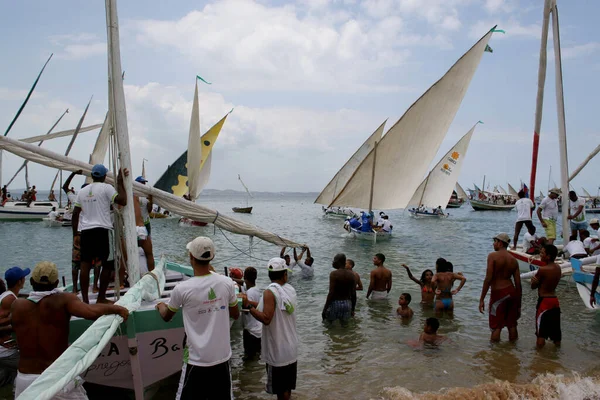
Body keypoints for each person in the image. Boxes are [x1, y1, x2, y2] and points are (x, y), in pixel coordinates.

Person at [11, 261, 129, 398]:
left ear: (31, 281)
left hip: (25, 380)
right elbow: (90, 312)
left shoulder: (17, 306)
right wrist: (116, 308)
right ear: (56, 284)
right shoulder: (63, 300)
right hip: (56, 377)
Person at [156, 237, 240, 400]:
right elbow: (236, 314)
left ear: (191, 258)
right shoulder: (227, 283)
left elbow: (167, 316)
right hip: (221, 359)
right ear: (212, 257)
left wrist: (160, 306)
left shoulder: (182, 289)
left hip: (196, 360)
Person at [72, 164, 128, 304]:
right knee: (108, 265)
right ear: (104, 176)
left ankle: (85, 300)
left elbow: (75, 214)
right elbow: (123, 201)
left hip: (86, 232)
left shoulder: (82, 191)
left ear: (92, 176)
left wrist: (75, 234)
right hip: (103, 230)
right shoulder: (106, 188)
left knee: (84, 265)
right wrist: (120, 182)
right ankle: (101, 297)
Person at [244, 258, 298, 400]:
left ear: (269, 274)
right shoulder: (289, 290)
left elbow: (266, 318)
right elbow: (268, 305)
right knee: (287, 389)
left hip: (278, 351)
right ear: (284, 274)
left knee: (281, 392)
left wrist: (249, 307)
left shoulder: (269, 292)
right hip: (291, 349)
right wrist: (249, 302)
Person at [479, 233, 522, 342]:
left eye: (495, 241)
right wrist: (518, 304)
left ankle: (495, 353)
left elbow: (488, 278)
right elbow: (518, 284)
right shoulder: (513, 260)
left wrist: (482, 299)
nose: (493, 244)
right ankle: (512, 350)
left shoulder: (493, 256)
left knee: (496, 326)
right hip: (512, 292)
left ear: (500, 243)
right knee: (512, 324)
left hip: (499, 293)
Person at [0, 267, 30, 388]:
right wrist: (17, 319)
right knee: (32, 367)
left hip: (6, 348)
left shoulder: (8, 296)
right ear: (19, 281)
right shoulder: (10, 299)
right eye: (24, 277)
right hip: (5, 351)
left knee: (8, 376)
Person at [531, 244, 562, 348]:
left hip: (544, 302)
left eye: (542, 253)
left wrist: (533, 281)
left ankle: (539, 359)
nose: (540, 254)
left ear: (548, 256)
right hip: (555, 301)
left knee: (541, 334)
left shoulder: (543, 270)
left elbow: (533, 286)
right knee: (556, 334)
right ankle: (556, 357)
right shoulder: (558, 268)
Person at [322, 254, 356, 325]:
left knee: (330, 325)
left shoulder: (334, 274)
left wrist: (325, 309)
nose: (333, 262)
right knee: (345, 326)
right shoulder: (352, 274)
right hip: (347, 304)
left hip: (335, 303)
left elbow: (331, 293)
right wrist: (352, 309)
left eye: (334, 260)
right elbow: (353, 293)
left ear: (338, 262)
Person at [239, 267, 262, 359]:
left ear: (245, 277)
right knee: (257, 356)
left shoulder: (248, 293)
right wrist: (231, 279)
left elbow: (247, 312)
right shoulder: (256, 288)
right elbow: (242, 283)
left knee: (248, 358)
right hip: (259, 330)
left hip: (250, 331)